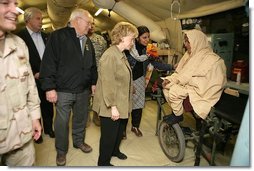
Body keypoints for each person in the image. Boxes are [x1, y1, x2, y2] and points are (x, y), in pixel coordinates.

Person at [39, 8, 97, 166]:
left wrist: (93, 82)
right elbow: (48, 63)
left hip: (83, 90)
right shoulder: (58, 36)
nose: (90, 26)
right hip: (63, 90)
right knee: (62, 123)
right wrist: (49, 87)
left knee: (81, 119)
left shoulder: (87, 41)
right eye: (88, 22)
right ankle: (61, 151)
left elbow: (92, 65)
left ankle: (79, 142)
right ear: (77, 20)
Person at [0, 0, 42, 166]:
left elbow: (30, 85)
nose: (16, 10)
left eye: (15, 3)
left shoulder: (18, 44)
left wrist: (34, 117)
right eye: (5, 3)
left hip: (23, 136)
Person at [92, 21, 138, 166]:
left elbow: (121, 76)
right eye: (132, 38)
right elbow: (108, 83)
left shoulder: (121, 54)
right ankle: (103, 162)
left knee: (118, 132)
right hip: (112, 104)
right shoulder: (109, 56)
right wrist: (112, 106)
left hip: (121, 101)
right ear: (122, 37)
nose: (133, 42)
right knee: (109, 136)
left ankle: (115, 151)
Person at [162, 29, 227, 124]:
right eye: (185, 41)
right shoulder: (189, 55)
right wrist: (169, 79)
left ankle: (177, 115)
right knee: (166, 87)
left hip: (201, 91)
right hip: (188, 86)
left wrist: (185, 83)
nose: (185, 44)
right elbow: (179, 73)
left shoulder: (214, 60)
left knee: (174, 91)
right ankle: (177, 113)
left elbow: (210, 85)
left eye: (188, 41)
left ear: (197, 42)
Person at [123, 26, 172, 138]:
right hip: (127, 79)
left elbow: (157, 63)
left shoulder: (149, 50)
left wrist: (172, 66)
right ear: (137, 38)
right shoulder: (128, 48)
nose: (147, 40)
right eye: (144, 37)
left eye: (148, 37)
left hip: (140, 79)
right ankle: (122, 129)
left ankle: (135, 126)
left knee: (138, 105)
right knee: (125, 105)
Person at [17, 7, 54, 144]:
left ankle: (49, 128)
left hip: (46, 78)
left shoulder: (46, 36)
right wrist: (33, 73)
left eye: (42, 18)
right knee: (34, 105)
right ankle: (37, 132)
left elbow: (51, 57)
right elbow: (19, 61)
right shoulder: (19, 37)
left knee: (48, 105)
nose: (41, 21)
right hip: (30, 80)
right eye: (38, 18)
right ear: (28, 20)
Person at [86, 17, 107, 127]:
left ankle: (96, 116)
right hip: (85, 73)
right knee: (85, 96)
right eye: (90, 23)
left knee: (97, 96)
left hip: (98, 73)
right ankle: (85, 118)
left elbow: (105, 56)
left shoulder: (101, 40)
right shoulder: (80, 39)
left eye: (94, 24)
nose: (92, 26)